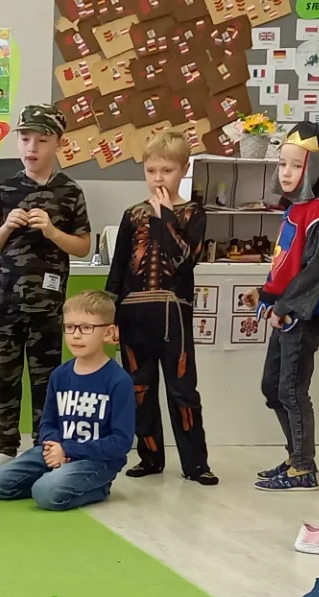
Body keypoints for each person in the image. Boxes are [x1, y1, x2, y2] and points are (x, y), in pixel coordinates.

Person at [0, 105, 92, 474]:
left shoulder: (69, 192)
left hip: (48, 305)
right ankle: (5, 447)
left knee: (46, 380)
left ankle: (43, 447)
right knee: (5, 377)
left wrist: (52, 231)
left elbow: (83, 246)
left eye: (42, 141)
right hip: (7, 303)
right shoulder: (5, 190)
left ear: (58, 143)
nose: (32, 148)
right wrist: (7, 227)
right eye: (25, 139)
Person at [104, 126, 215, 485]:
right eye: (151, 170)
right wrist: (111, 315)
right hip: (133, 314)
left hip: (173, 316)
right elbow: (118, 268)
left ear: (183, 169)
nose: (158, 178)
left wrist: (166, 216)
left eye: (167, 170)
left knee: (182, 390)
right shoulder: (132, 214)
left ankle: (196, 464)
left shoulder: (193, 213)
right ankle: (150, 456)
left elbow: (185, 260)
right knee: (139, 388)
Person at [0, 292, 133, 511]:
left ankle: (96, 487)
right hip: (55, 452)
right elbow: (47, 423)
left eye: (86, 328)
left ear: (108, 333)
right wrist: (55, 448)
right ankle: (54, 479)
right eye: (69, 327)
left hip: (96, 461)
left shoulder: (119, 381)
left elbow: (120, 442)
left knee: (46, 494)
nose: (76, 335)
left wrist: (67, 450)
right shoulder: (60, 375)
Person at [255, 121, 319, 492]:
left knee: (291, 390)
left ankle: (303, 468)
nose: (286, 172)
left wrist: (285, 307)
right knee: (272, 387)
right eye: (282, 164)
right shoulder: (293, 211)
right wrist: (267, 296)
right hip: (285, 313)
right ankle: (296, 456)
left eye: (296, 165)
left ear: (315, 169)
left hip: (303, 318)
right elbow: (284, 264)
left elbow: (314, 273)